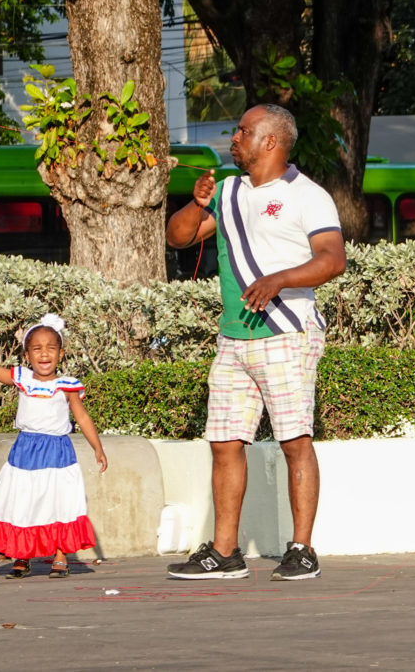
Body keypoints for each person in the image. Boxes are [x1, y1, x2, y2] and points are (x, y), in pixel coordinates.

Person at [164, 104, 347, 581]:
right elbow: (178, 237)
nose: (235, 138)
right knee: (224, 442)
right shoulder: (226, 192)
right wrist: (196, 204)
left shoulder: (308, 196)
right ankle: (225, 552)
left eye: (244, 131)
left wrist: (279, 280)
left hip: (286, 332)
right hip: (233, 337)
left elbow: (332, 260)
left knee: (294, 441)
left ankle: (302, 548)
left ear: (271, 142)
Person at [0, 313, 107, 579]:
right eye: (37, 349)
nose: (44, 354)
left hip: (58, 452)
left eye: (51, 348)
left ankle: (60, 556)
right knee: (22, 501)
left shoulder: (67, 385)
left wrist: (97, 447)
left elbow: (82, 417)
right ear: (27, 355)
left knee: (59, 503)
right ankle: (22, 555)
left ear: (61, 354)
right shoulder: (22, 378)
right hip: (25, 451)